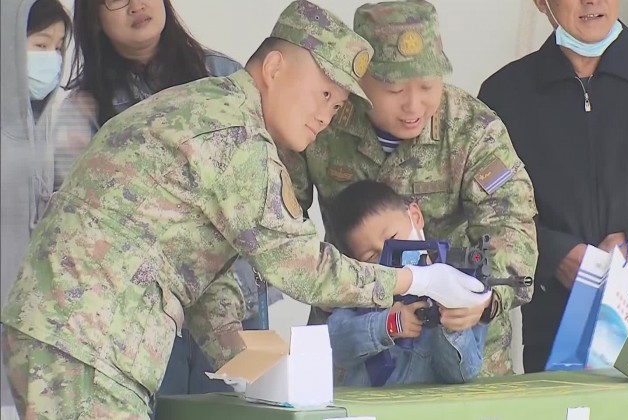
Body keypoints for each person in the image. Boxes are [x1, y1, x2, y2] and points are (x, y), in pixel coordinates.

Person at [0, 1, 491, 418]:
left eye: (337, 104)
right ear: (274, 70)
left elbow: (200, 268)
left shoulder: (208, 109)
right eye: (323, 93)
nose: (326, 115)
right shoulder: (237, 137)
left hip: (75, 334)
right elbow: (304, 267)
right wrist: (418, 279)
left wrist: (240, 356)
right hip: (89, 341)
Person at [281, 0, 538, 377]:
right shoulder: (324, 120)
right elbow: (278, 219)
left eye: (428, 86)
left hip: (458, 348)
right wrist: (321, 280)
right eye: (395, 89)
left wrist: (487, 297)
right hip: (356, 343)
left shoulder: (471, 128)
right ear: (359, 78)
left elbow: (511, 222)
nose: (414, 105)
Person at [40, 0, 278, 397]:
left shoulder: (223, 75)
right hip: (145, 317)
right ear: (93, 18)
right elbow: (81, 229)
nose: (137, 5)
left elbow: (266, 184)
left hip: (237, 304)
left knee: (242, 408)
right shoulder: (81, 110)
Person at [478, 0, 628, 373]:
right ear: (541, 3)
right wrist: (555, 253)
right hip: (558, 319)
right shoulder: (505, 94)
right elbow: (491, 205)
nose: (591, 1)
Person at [326, 180, 487, 387]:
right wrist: (387, 325)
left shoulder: (456, 283)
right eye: (370, 256)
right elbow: (337, 343)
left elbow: (462, 373)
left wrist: (451, 323)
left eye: (393, 238)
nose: (388, 253)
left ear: (415, 217)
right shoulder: (361, 288)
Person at [0, 0, 71, 413]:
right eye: (41, 45)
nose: (53, 60)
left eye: (59, 48)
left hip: (37, 348)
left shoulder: (56, 126)